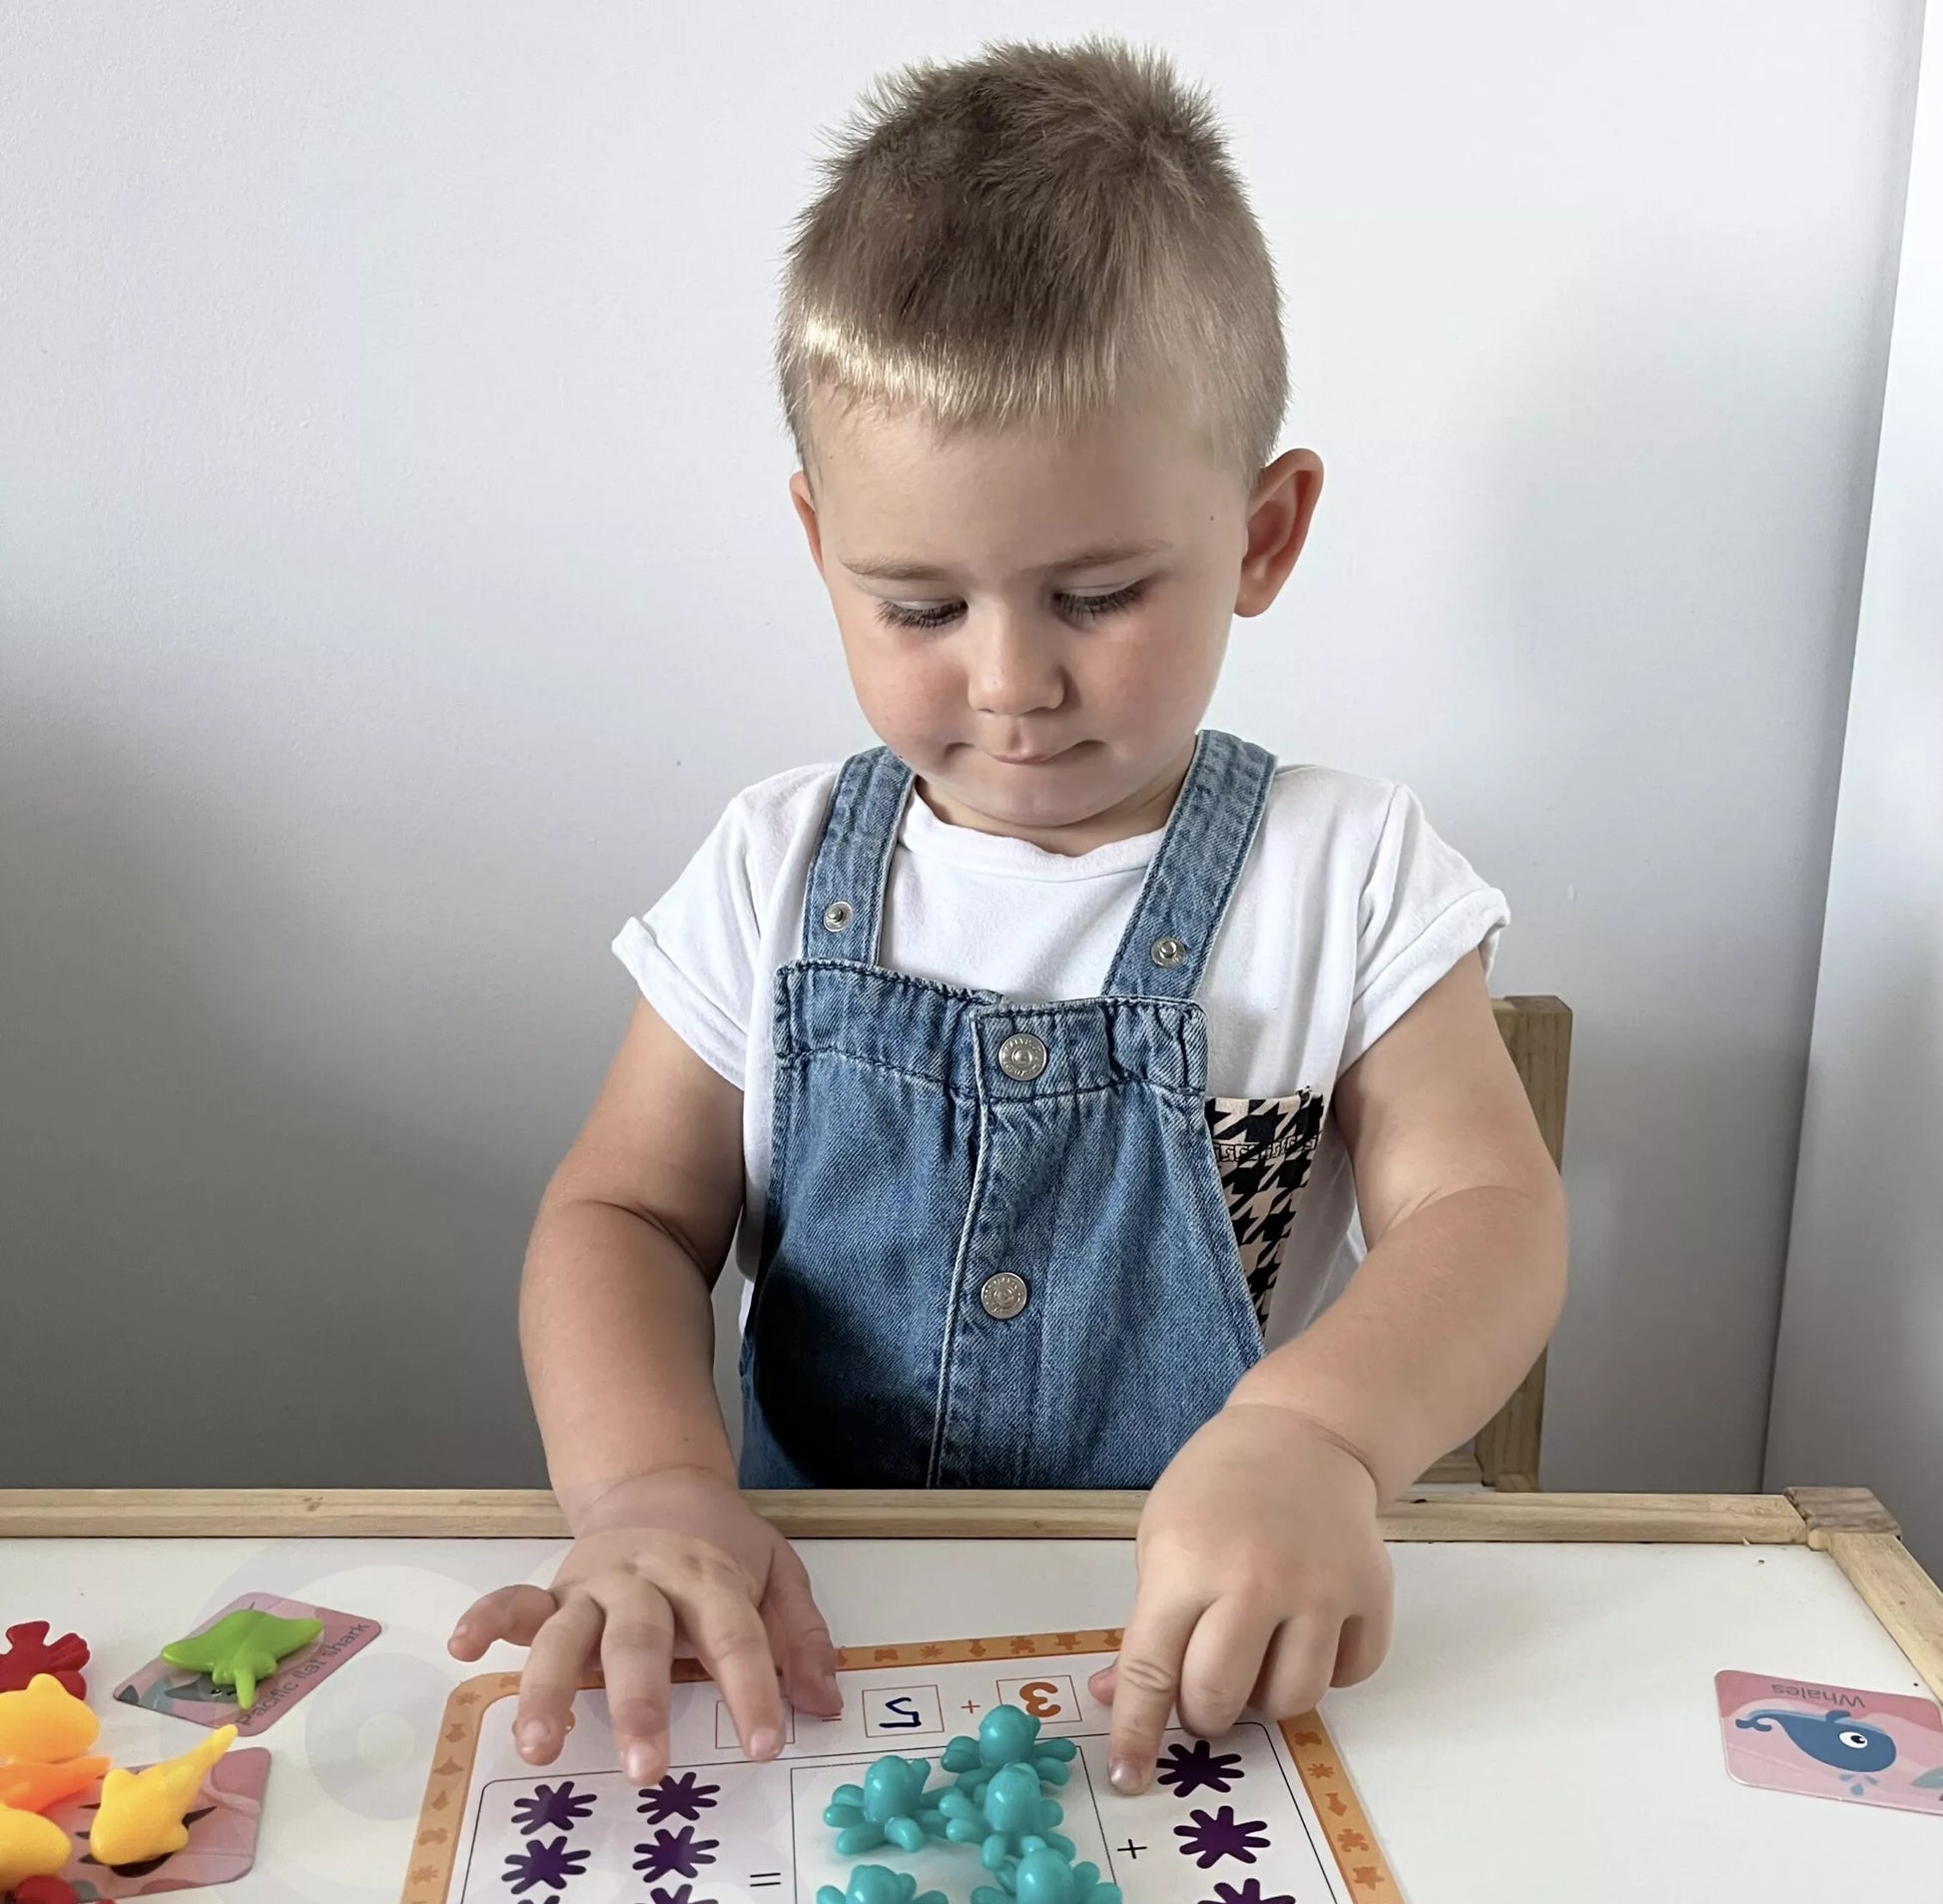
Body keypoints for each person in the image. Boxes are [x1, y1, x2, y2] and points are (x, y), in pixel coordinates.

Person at [449, 35, 1568, 1797]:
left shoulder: (1347, 871)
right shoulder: (773, 863)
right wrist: (651, 1485)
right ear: (819, 544)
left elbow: (1487, 1212)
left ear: (1264, 535)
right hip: (817, 1647)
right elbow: (621, 1214)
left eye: (1098, 592)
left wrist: (1317, 1437)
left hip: (1211, 1644)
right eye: (916, 604)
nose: (1012, 680)